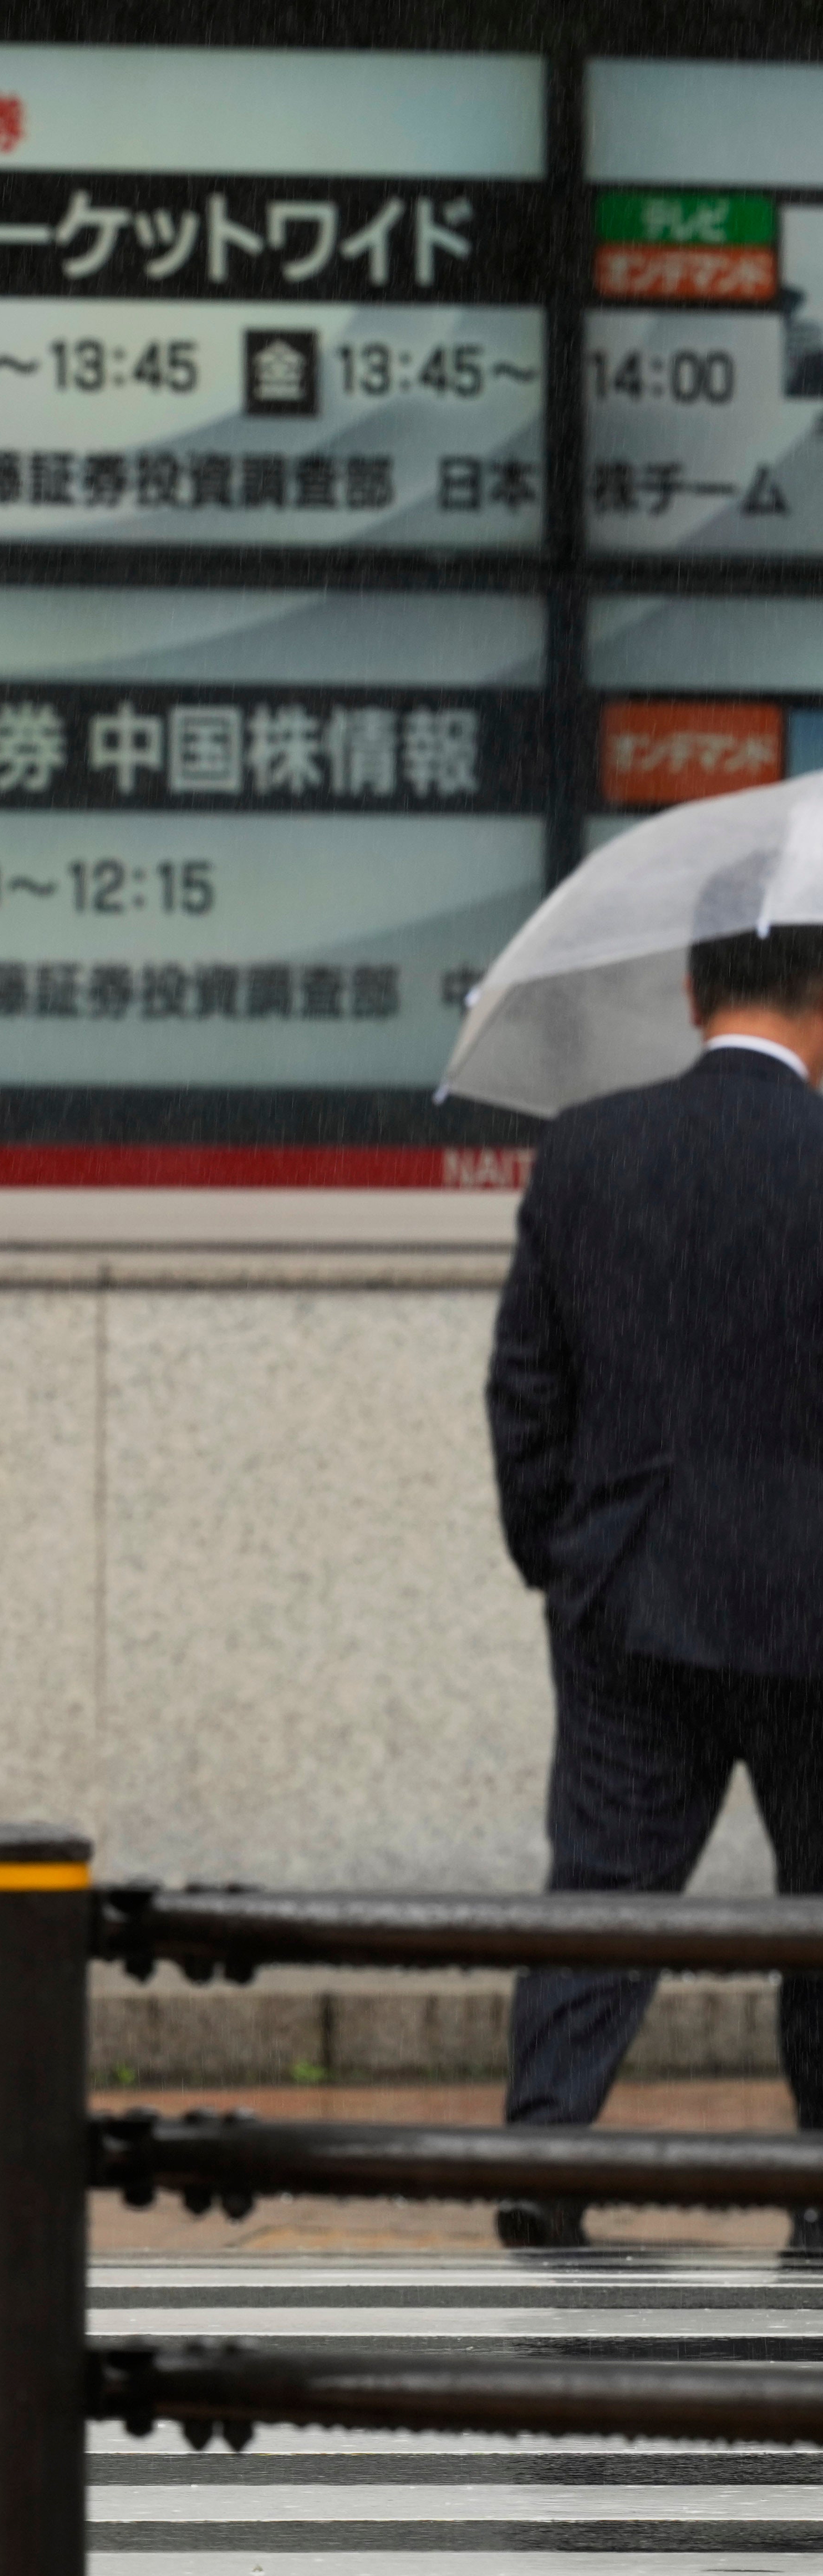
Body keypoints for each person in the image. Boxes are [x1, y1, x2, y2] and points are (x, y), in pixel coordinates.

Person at [487, 918, 823, 2252]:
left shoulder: (590, 1148)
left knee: (605, 1891)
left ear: (693, 994)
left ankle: (543, 2154)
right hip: (816, 1604)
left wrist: (561, 1560)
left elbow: (527, 1387)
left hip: (631, 1591)